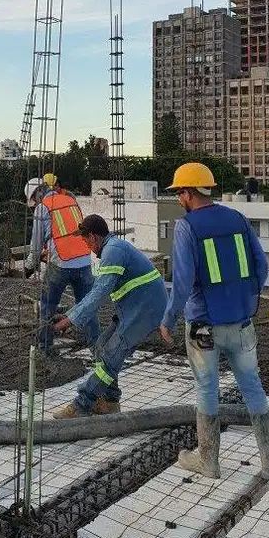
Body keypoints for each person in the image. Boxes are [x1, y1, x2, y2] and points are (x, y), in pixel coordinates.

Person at [160, 162, 269, 481]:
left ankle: (209, 461)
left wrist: (169, 317)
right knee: (252, 386)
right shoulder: (238, 218)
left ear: (188, 193)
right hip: (242, 321)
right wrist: (245, 299)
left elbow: (183, 281)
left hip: (203, 323)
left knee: (207, 387)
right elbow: (260, 267)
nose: (178, 199)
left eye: (179, 193)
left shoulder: (188, 227)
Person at [51, 214, 167, 417]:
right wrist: (69, 315)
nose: (86, 245)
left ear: (93, 237)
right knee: (102, 347)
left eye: (85, 239)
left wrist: (70, 320)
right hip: (136, 307)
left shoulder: (113, 251)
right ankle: (110, 402)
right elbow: (96, 291)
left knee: (111, 357)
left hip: (145, 310)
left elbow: (98, 295)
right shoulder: (113, 248)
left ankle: (81, 405)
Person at [24, 173, 95, 355]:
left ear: (37, 195)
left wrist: (30, 266)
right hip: (84, 260)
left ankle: (44, 347)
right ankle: (96, 345)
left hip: (61, 263)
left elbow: (36, 243)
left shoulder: (43, 208)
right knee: (87, 304)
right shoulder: (70, 200)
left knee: (47, 305)